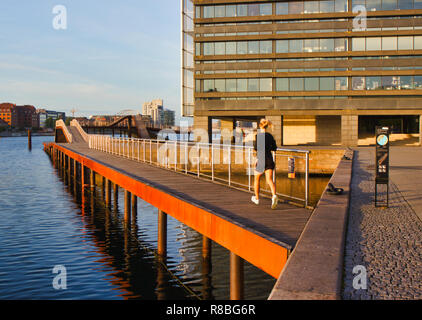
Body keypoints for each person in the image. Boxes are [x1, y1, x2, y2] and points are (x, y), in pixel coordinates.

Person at [251, 119, 279, 209]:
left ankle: (257, 198)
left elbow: (256, 149)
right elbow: (274, 148)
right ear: (267, 126)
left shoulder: (258, 136)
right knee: (269, 180)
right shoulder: (270, 136)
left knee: (256, 179)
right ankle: (274, 196)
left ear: (260, 126)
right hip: (269, 159)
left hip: (261, 159)